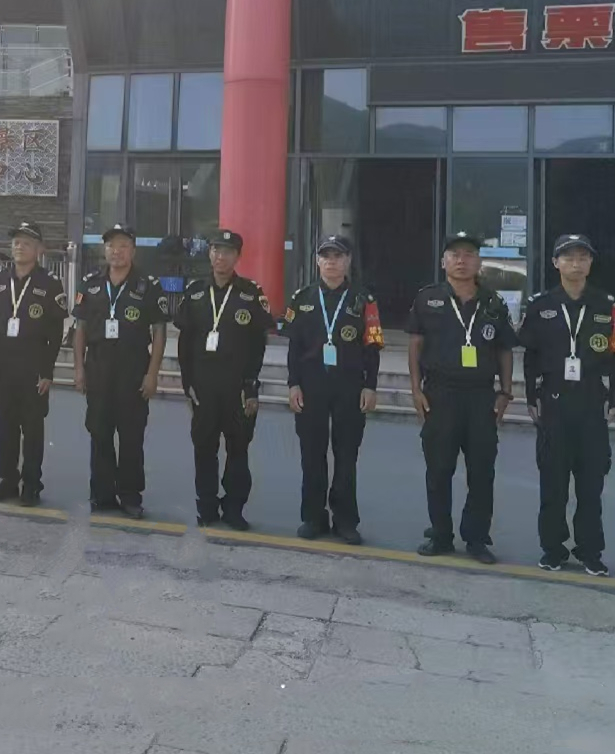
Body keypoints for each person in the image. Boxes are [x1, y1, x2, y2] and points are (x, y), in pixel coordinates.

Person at [518, 234, 615, 577]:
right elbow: (530, 356)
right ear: (556, 263)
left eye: (582, 257)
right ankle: (553, 549)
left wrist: (614, 399)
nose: (576, 264)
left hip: (592, 403)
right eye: (568, 258)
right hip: (553, 403)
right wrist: (531, 398)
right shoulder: (539, 305)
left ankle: (590, 551)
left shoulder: (608, 305)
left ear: (590, 263)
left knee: (591, 486)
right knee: (553, 484)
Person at [406, 231, 518, 565]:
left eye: (468, 254)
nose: (461, 260)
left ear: (478, 262)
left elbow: (505, 349)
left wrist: (505, 391)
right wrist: (416, 390)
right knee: (438, 469)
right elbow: (415, 345)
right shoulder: (428, 299)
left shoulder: (494, 303)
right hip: (440, 394)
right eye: (454, 255)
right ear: (444, 262)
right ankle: (440, 534)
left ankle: (477, 538)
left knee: (481, 471)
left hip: (481, 396)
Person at [283, 235, 383, 544]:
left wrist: (370, 386)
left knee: (346, 455)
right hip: (311, 384)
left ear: (348, 260)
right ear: (317, 261)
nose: (331, 262)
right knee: (312, 455)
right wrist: (293, 383)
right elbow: (294, 348)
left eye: (338, 256)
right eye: (325, 256)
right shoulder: (302, 298)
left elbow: (372, 347)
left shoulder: (364, 300)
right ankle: (313, 517)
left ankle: (345, 521)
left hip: (349, 385)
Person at [174, 229, 275, 530]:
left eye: (228, 252)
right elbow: (184, 342)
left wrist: (251, 385)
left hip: (237, 386)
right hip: (204, 385)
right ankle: (206, 507)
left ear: (237, 257)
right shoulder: (195, 292)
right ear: (209, 253)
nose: (221, 256)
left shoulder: (250, 293)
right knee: (204, 449)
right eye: (216, 250)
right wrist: (187, 384)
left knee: (238, 450)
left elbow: (258, 344)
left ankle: (234, 509)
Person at [72, 223, 168, 520]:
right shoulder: (90, 284)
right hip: (98, 367)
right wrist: (79, 368)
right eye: (112, 245)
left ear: (133, 251)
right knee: (99, 432)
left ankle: (130, 496)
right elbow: (80, 329)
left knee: (131, 436)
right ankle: (102, 494)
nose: (117, 251)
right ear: (105, 250)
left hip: (133, 368)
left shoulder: (148, 285)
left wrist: (152, 373)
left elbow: (159, 331)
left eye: (123, 245)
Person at [0, 221, 67, 507]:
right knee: (4, 427)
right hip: (4, 366)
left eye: (27, 243)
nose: (20, 247)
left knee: (32, 429)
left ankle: (31, 484)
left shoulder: (49, 283)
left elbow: (55, 332)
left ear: (39, 249)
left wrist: (47, 371)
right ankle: (7, 480)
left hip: (33, 368)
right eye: (16, 242)